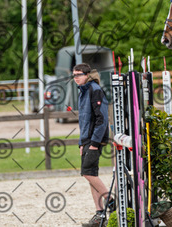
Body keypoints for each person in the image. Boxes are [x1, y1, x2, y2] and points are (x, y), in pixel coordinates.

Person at [74, 63, 112, 226]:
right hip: (87, 140)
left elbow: (101, 119)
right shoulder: (83, 91)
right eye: (74, 75)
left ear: (87, 74)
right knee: (91, 175)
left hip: (94, 140)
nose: (76, 78)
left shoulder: (95, 90)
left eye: (79, 75)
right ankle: (99, 213)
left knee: (87, 173)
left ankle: (111, 201)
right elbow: (84, 120)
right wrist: (82, 143)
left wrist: (95, 143)